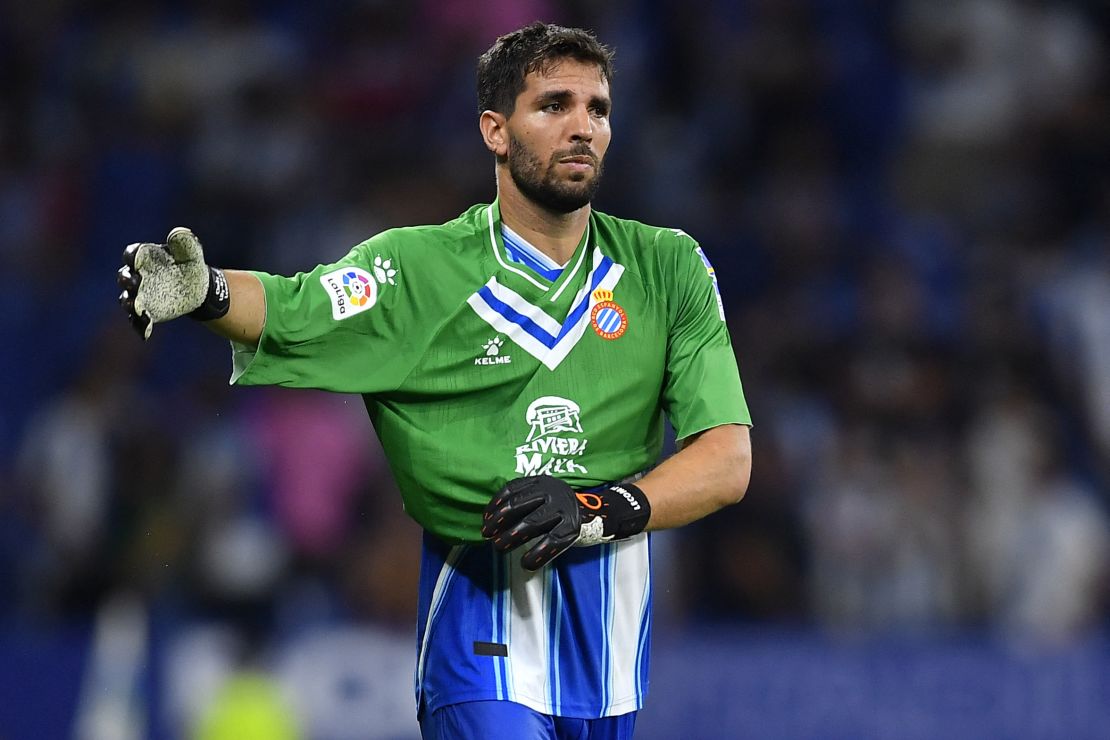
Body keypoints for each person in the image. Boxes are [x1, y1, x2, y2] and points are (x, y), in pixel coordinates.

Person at [117, 22, 752, 740]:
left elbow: (727, 460)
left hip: (606, 656)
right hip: (481, 639)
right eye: (553, 106)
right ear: (495, 130)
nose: (582, 127)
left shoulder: (668, 269)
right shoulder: (420, 270)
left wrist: (595, 508)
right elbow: (294, 308)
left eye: (597, 108)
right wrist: (207, 293)